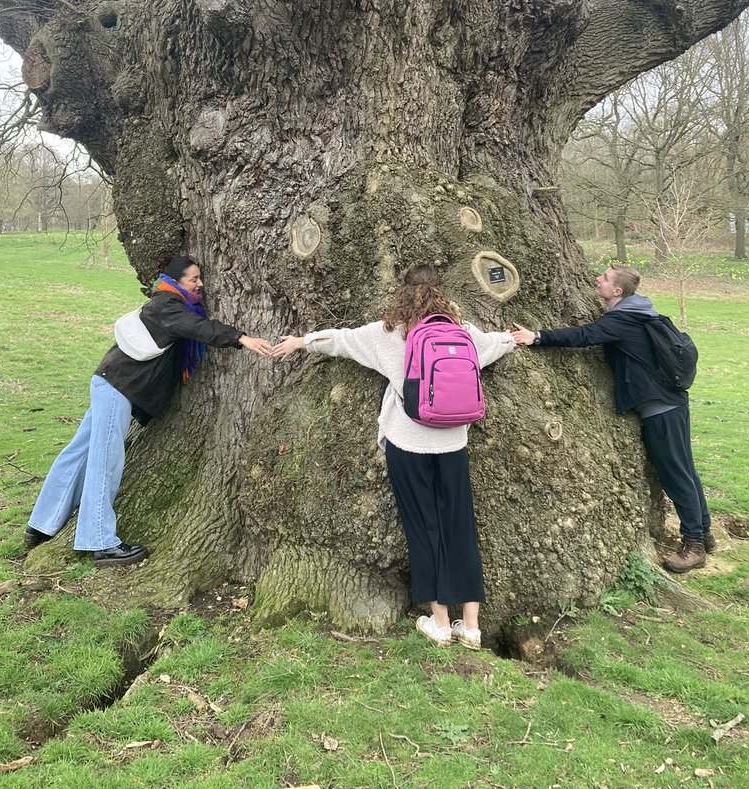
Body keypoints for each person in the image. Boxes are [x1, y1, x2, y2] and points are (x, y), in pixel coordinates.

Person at [272, 264, 515, 648]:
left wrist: (300, 342)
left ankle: (439, 622)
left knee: (424, 529)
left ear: (403, 294)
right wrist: (514, 338)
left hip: (408, 444)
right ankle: (470, 626)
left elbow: (340, 340)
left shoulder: (387, 334)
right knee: (460, 528)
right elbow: (496, 345)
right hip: (452, 444)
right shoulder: (463, 333)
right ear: (442, 294)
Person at [25, 255, 272, 566]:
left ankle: (40, 526)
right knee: (105, 459)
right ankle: (98, 542)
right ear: (175, 280)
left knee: (80, 452)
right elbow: (196, 327)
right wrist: (240, 337)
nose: (200, 284)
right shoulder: (168, 305)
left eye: (199, 278)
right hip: (118, 388)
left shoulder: (163, 302)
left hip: (109, 383)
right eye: (193, 279)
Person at [511, 264, 713, 573]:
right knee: (685, 470)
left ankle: (694, 544)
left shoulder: (624, 320)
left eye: (604, 278)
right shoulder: (642, 312)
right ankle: (705, 533)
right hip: (672, 404)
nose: (597, 279)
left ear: (617, 291)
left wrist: (537, 336)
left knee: (675, 475)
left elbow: (584, 335)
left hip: (659, 409)